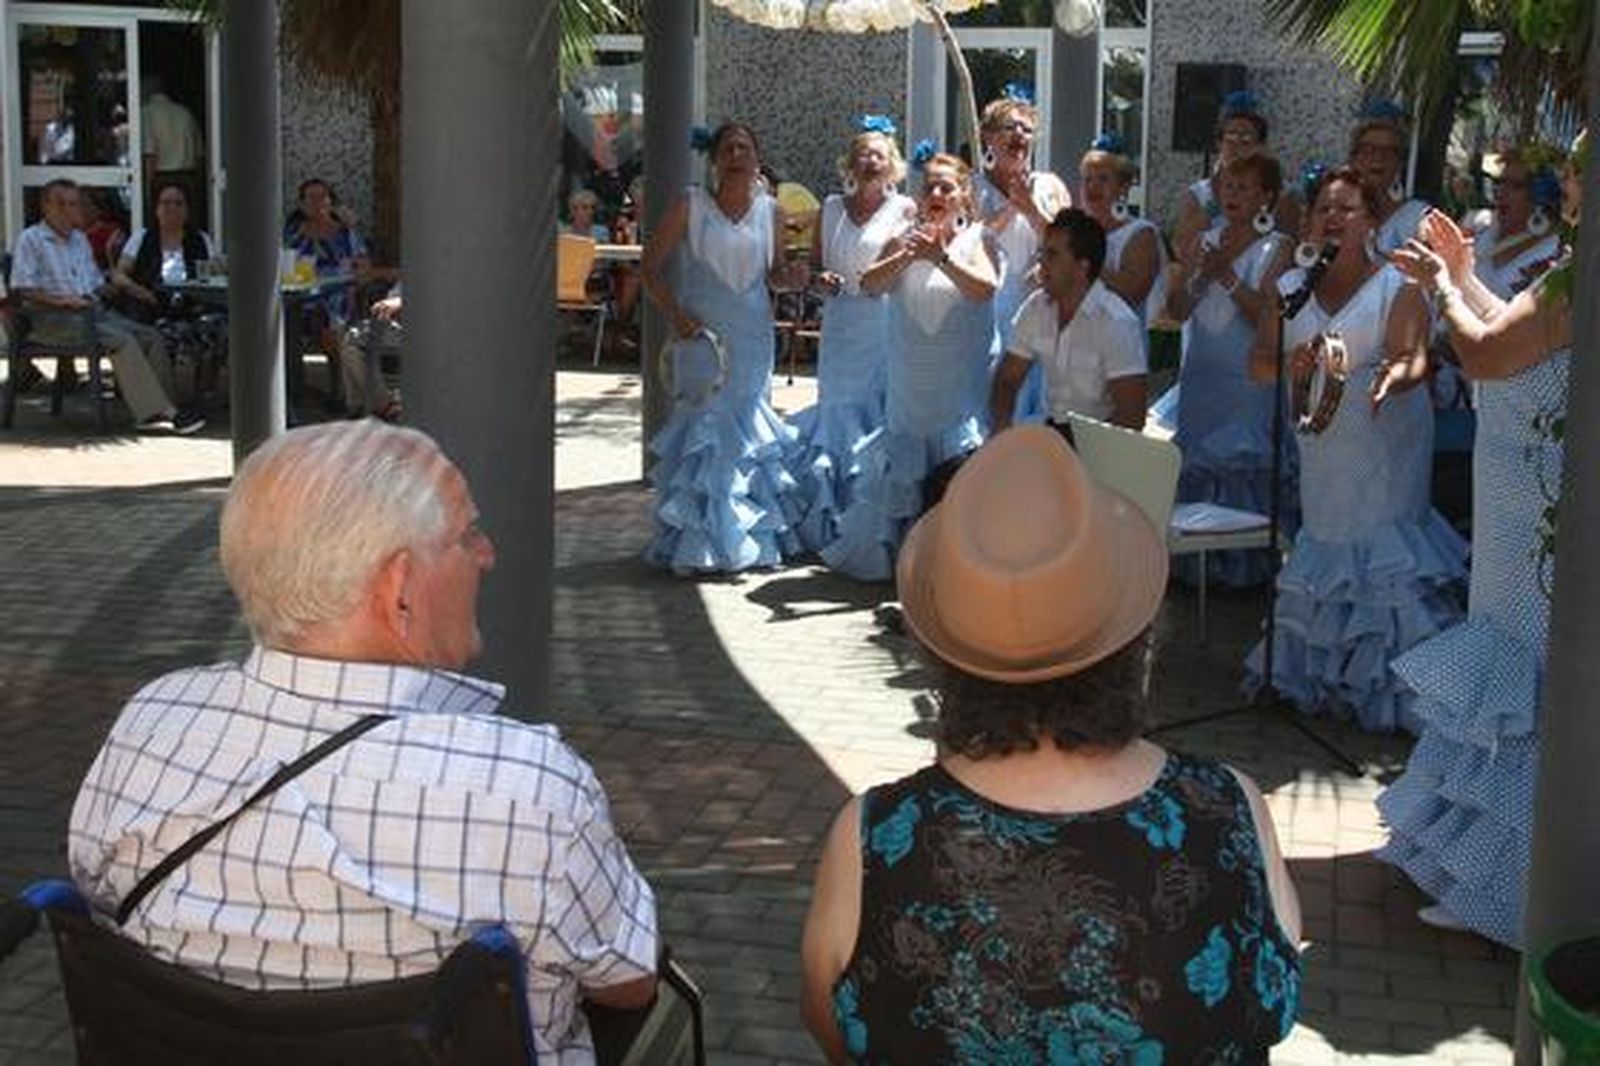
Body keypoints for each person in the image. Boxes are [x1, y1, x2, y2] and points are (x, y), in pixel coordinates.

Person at [68, 420, 658, 1063]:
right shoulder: (530, 788)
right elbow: (629, 983)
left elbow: (97, 895)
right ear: (398, 591)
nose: (487, 554)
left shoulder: (152, 722)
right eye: (467, 534)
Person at [801, 425, 1302, 1063]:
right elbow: (1270, 1003)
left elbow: (835, 1031)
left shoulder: (874, 836)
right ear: (1134, 631)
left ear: (940, 649)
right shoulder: (1230, 808)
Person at [1377, 139, 1583, 946]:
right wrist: (1464, 277)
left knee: (1521, 686)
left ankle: (1503, 890)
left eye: (1579, 171)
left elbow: (1488, 354)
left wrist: (1438, 289)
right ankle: (1473, 867)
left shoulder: (1576, 279)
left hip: (1537, 517)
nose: (1567, 182)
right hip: (1516, 506)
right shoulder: (1571, 275)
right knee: (1508, 669)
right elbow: (1516, 333)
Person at [1244, 167, 1465, 732]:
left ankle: (1389, 692)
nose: (1333, 218)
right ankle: (1321, 680)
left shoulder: (1396, 283)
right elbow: (1258, 365)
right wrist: (1291, 364)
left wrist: (1392, 378)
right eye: (1323, 208)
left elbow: (1413, 358)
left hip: (1385, 446)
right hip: (1321, 451)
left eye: (1346, 209)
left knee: (1382, 558)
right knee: (1329, 542)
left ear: (1371, 222)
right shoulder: (1290, 289)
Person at [820, 151, 998, 581]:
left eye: (946, 187)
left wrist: (941, 258)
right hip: (908, 385)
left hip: (954, 387)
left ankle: (952, 565)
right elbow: (869, 284)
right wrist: (907, 256)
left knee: (953, 470)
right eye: (929, 186)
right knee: (904, 464)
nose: (936, 193)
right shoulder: (902, 238)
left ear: (963, 195)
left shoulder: (979, 238)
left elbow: (985, 289)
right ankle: (905, 561)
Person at [639, 120, 806, 573]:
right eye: (728, 149)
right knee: (703, 429)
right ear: (713, 159)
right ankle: (697, 545)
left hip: (752, 336)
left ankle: (747, 542)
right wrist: (675, 314)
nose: (736, 156)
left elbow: (775, 273)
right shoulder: (690, 204)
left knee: (745, 429)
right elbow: (649, 267)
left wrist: (791, 277)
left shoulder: (771, 211)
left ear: (757, 159)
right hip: (701, 338)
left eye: (744, 148)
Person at [1165, 153, 1294, 586]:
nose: (1232, 194)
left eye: (1244, 187)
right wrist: (1201, 275)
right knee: (1199, 461)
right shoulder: (1204, 240)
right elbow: (1177, 309)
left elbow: (1266, 316)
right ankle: (1196, 566)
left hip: (1247, 381)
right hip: (1202, 376)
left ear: (1266, 197)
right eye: (1227, 186)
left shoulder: (1279, 247)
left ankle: (1245, 569)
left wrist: (1228, 276)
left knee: (1242, 461)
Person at [789, 120, 915, 551]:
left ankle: (868, 519)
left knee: (873, 409)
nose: (870, 161)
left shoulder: (905, 209)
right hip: (840, 322)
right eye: (863, 154)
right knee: (836, 409)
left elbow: (898, 268)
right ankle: (831, 515)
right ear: (850, 163)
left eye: (878, 154)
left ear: (892, 164)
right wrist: (819, 279)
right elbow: (815, 265)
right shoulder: (830, 207)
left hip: (881, 322)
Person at [9, 178, 201, 434]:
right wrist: (63, 301)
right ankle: (156, 413)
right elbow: (22, 289)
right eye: (61, 204)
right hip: (53, 318)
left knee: (151, 336)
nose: (69, 210)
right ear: (46, 207)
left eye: (74, 204)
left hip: (92, 313)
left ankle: (165, 407)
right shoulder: (31, 239)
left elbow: (95, 284)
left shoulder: (79, 239)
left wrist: (119, 285)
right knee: (122, 340)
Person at [989, 207, 1146, 434]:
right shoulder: (1036, 308)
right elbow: (1007, 380)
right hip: (1051, 433)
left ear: (1082, 267)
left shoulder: (1116, 322)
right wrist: (1001, 427)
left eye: (1052, 254)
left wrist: (1095, 453)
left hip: (1100, 441)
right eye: (1041, 252)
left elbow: (1131, 417)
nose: (1041, 261)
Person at [972, 92, 1072, 423]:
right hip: (987, 309)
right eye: (1009, 127)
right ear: (987, 137)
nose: (1019, 135)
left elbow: (1068, 244)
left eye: (1026, 130)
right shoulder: (970, 187)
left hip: (1039, 307)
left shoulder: (1050, 186)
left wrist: (1030, 208)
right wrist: (1010, 207)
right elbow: (968, 241)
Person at [1172, 90, 1298, 255]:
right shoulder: (1199, 194)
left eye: (1246, 138)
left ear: (1260, 145)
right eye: (1230, 137)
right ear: (1219, 144)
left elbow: (1289, 243)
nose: (1237, 144)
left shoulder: (1282, 194)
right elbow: (1181, 247)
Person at [1078, 135, 1167, 330]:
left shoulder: (1141, 233)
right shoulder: (1074, 231)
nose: (1093, 186)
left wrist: (1082, 262)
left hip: (1123, 341)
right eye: (1087, 179)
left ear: (1123, 187)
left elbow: (1132, 293)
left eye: (1103, 179)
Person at [1463, 146, 1564, 299]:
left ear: (1540, 195)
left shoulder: (1553, 250)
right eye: (1499, 182)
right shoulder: (1478, 224)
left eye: (1516, 185)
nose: (1500, 192)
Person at [1349, 103, 1429, 256]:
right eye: (1369, 149)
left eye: (1390, 151)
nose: (1379, 158)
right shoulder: (1333, 209)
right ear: (1354, 158)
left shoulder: (1415, 216)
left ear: (1400, 164)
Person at [140, 73, 203, 211]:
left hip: (161, 179)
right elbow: (198, 156)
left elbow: (150, 155)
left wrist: (146, 190)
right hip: (187, 177)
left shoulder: (146, 113)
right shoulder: (185, 112)